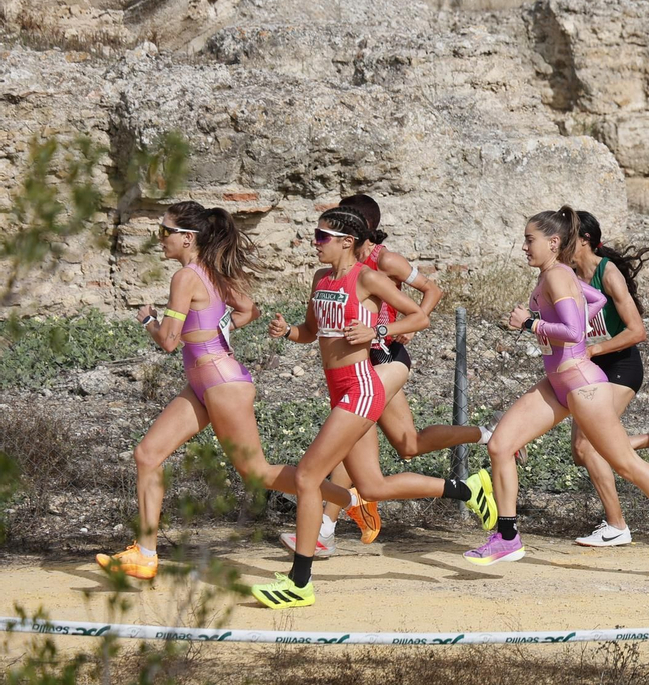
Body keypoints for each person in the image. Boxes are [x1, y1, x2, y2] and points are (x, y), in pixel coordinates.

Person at [248, 207, 495, 609]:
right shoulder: (320, 279)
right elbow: (312, 332)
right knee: (372, 487)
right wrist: (288, 331)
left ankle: (299, 581)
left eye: (321, 236)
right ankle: (468, 489)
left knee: (309, 476)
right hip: (339, 390)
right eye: (316, 235)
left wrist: (378, 330)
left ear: (347, 241)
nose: (315, 242)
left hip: (362, 388)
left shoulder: (367, 277)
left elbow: (420, 318)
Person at [96, 202, 358, 580]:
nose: (160, 239)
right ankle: (146, 554)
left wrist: (150, 321)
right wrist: (218, 329)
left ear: (188, 237)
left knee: (257, 472)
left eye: (165, 231)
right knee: (147, 454)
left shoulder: (186, 277)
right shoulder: (211, 273)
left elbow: (169, 342)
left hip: (221, 383)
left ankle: (349, 499)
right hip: (206, 383)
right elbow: (248, 309)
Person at [476, 207, 649, 578]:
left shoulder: (557, 276)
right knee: (501, 445)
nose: (524, 247)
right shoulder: (560, 275)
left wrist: (529, 322)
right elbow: (597, 301)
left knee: (625, 464)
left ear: (553, 243)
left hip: (582, 384)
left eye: (529, 240)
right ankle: (507, 536)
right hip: (558, 382)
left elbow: (573, 332)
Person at [296, 193, 487, 557]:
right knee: (407, 445)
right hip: (359, 361)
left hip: (385, 357)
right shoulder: (328, 275)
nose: (322, 238)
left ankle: (325, 528)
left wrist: (398, 328)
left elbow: (432, 291)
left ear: (356, 230)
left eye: (329, 232)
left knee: (342, 434)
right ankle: (472, 472)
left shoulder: (382, 261)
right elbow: (311, 327)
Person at [568, 210, 649, 547]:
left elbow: (637, 331)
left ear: (583, 239)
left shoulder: (607, 273)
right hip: (589, 366)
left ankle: (617, 525)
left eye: (564, 234)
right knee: (584, 450)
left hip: (620, 366)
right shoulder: (566, 274)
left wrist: (595, 351)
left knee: (588, 444)